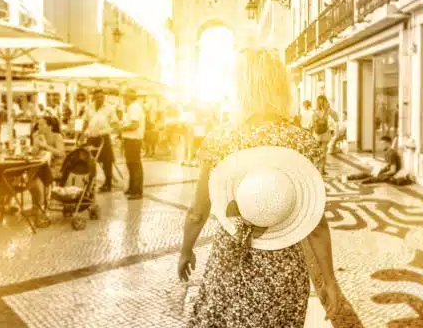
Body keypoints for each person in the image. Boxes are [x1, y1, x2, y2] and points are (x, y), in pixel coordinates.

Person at [178, 48, 346, 326]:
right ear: (281, 87)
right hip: (284, 271)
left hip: (229, 264)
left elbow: (198, 211)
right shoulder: (303, 142)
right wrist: (329, 280)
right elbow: (316, 224)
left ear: (240, 87)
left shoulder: (221, 139)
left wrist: (186, 250)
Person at [83, 89, 119, 192]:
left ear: (104, 97)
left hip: (104, 137)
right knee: (90, 161)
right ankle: (90, 183)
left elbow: (115, 123)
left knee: (107, 161)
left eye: (102, 97)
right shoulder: (89, 108)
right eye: (97, 97)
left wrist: (110, 130)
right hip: (91, 137)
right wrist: (81, 134)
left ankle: (108, 183)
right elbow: (85, 121)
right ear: (93, 98)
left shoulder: (110, 108)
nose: (100, 99)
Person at [121, 89, 145, 200]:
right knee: (130, 164)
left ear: (129, 97)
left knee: (134, 165)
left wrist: (121, 128)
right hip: (130, 139)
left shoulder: (134, 107)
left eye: (124, 97)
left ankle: (137, 191)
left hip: (134, 140)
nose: (123, 99)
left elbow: (134, 125)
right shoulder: (131, 107)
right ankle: (132, 188)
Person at [312, 95, 339, 175]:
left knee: (318, 152)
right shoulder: (327, 110)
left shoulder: (315, 111)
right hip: (323, 133)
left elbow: (312, 122)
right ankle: (321, 169)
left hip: (317, 134)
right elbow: (336, 118)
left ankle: (318, 168)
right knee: (322, 152)